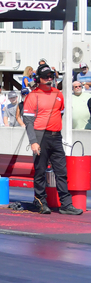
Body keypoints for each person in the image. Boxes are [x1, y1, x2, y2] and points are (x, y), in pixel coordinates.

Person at [22, 64, 83, 215]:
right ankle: (41, 203)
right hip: (40, 136)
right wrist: (33, 141)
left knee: (61, 172)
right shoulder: (32, 96)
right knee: (40, 171)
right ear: (38, 79)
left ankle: (66, 205)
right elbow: (28, 122)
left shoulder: (58, 94)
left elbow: (60, 113)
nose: (49, 78)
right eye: (45, 76)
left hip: (56, 136)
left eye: (51, 76)